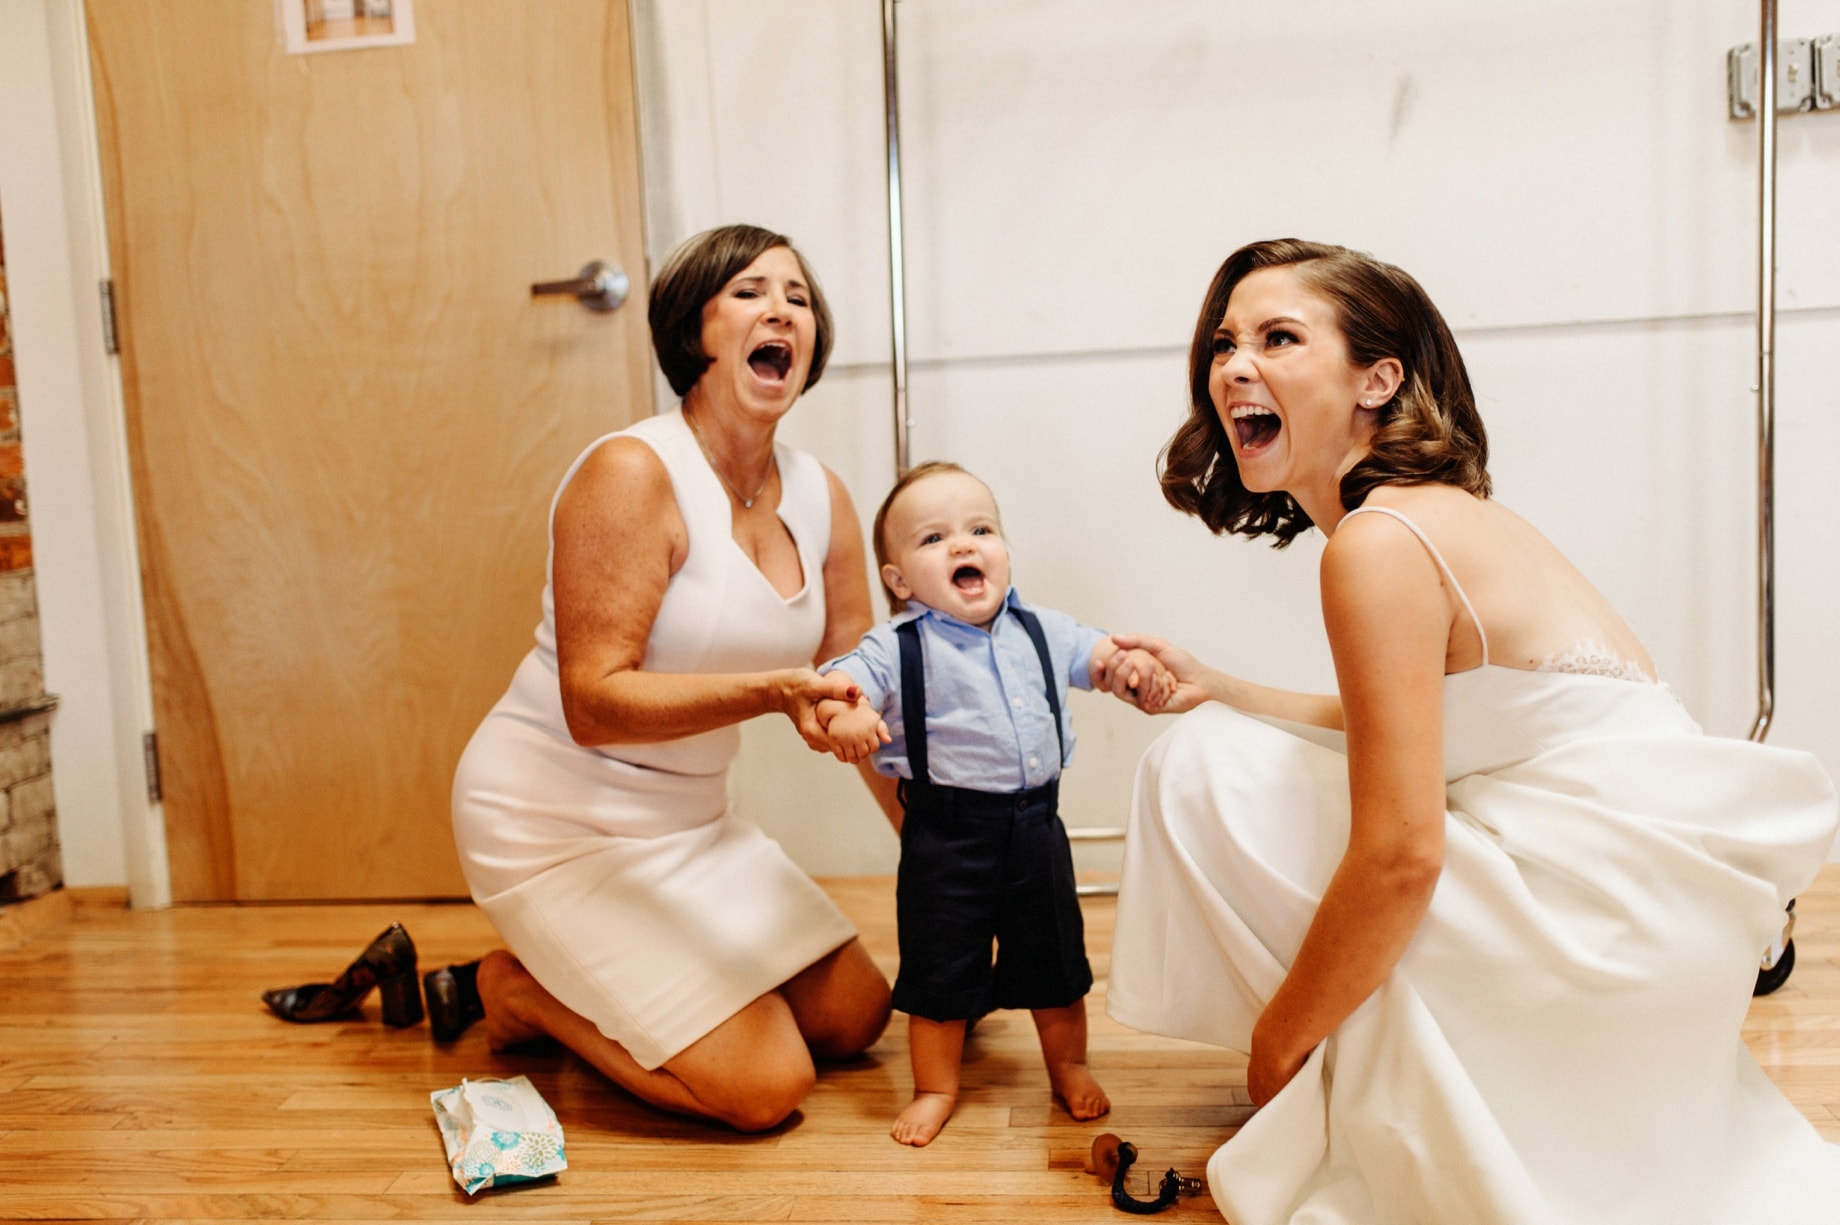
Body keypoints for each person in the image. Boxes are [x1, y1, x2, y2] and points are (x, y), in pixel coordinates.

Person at [1097, 238, 1840, 1223]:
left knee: (1202, 770)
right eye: (1225, 343)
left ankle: (1355, 1058)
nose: (1234, 365)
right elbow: (1426, 728)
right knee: (1225, 735)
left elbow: (1400, 851)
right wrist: (1224, 684)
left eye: (1278, 337)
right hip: (1669, 946)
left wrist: (1280, 1045)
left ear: (1378, 377)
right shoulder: (1442, 515)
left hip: (1603, 943)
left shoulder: (1377, 542)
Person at [443, 223, 896, 1133]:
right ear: (695, 330)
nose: (782, 310)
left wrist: (939, 845)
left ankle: (611, 981)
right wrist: (773, 692)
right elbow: (594, 701)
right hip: (555, 818)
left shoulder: (823, 495)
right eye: (751, 292)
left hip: (690, 819)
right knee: (768, 1084)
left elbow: (861, 692)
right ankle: (517, 995)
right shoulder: (630, 471)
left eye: (799, 297)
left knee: (856, 1015)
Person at [816, 461, 1173, 1146]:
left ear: (1005, 548)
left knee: (1055, 962)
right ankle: (935, 1086)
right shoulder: (894, 647)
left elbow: (1097, 654)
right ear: (897, 581)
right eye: (933, 537)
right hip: (945, 837)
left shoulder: (1041, 626)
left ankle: (1069, 1063)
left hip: (1036, 825)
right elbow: (839, 684)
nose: (963, 545)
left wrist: (1125, 667)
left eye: (981, 528)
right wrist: (846, 714)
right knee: (939, 968)